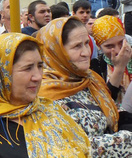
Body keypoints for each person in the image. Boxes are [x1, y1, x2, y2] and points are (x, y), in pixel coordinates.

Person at [0, 33, 90, 157]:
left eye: (40, 66)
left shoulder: (52, 112)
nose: (37, 76)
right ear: (1, 74)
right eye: (27, 68)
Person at [37, 17, 132, 157]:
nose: (86, 52)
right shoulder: (43, 93)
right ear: (56, 51)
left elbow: (114, 110)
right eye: (76, 46)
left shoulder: (91, 79)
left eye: (87, 43)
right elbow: (74, 146)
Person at [90, 15, 132, 104]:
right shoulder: (96, 66)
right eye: (109, 46)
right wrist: (119, 68)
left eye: (121, 42)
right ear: (99, 46)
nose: (117, 50)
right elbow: (105, 101)